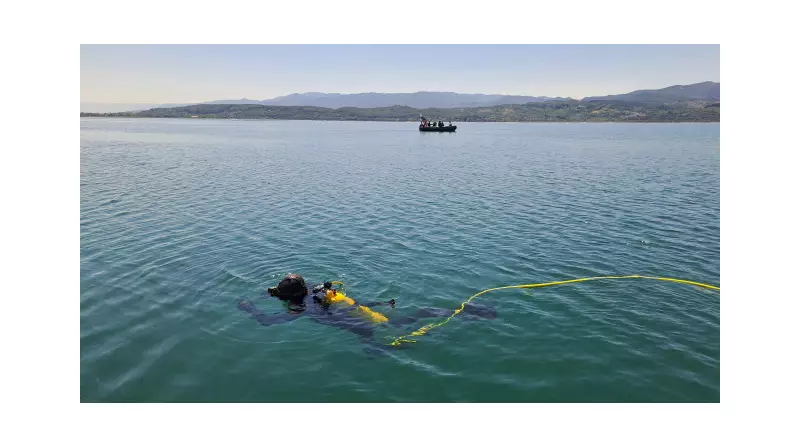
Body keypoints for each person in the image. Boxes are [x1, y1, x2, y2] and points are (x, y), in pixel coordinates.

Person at [237, 273, 496, 346]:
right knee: (412, 317)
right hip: (365, 313)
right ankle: (470, 311)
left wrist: (249, 308)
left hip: (360, 325)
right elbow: (356, 303)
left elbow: (268, 322)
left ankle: (456, 325)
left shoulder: (301, 310)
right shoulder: (320, 291)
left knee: (390, 339)